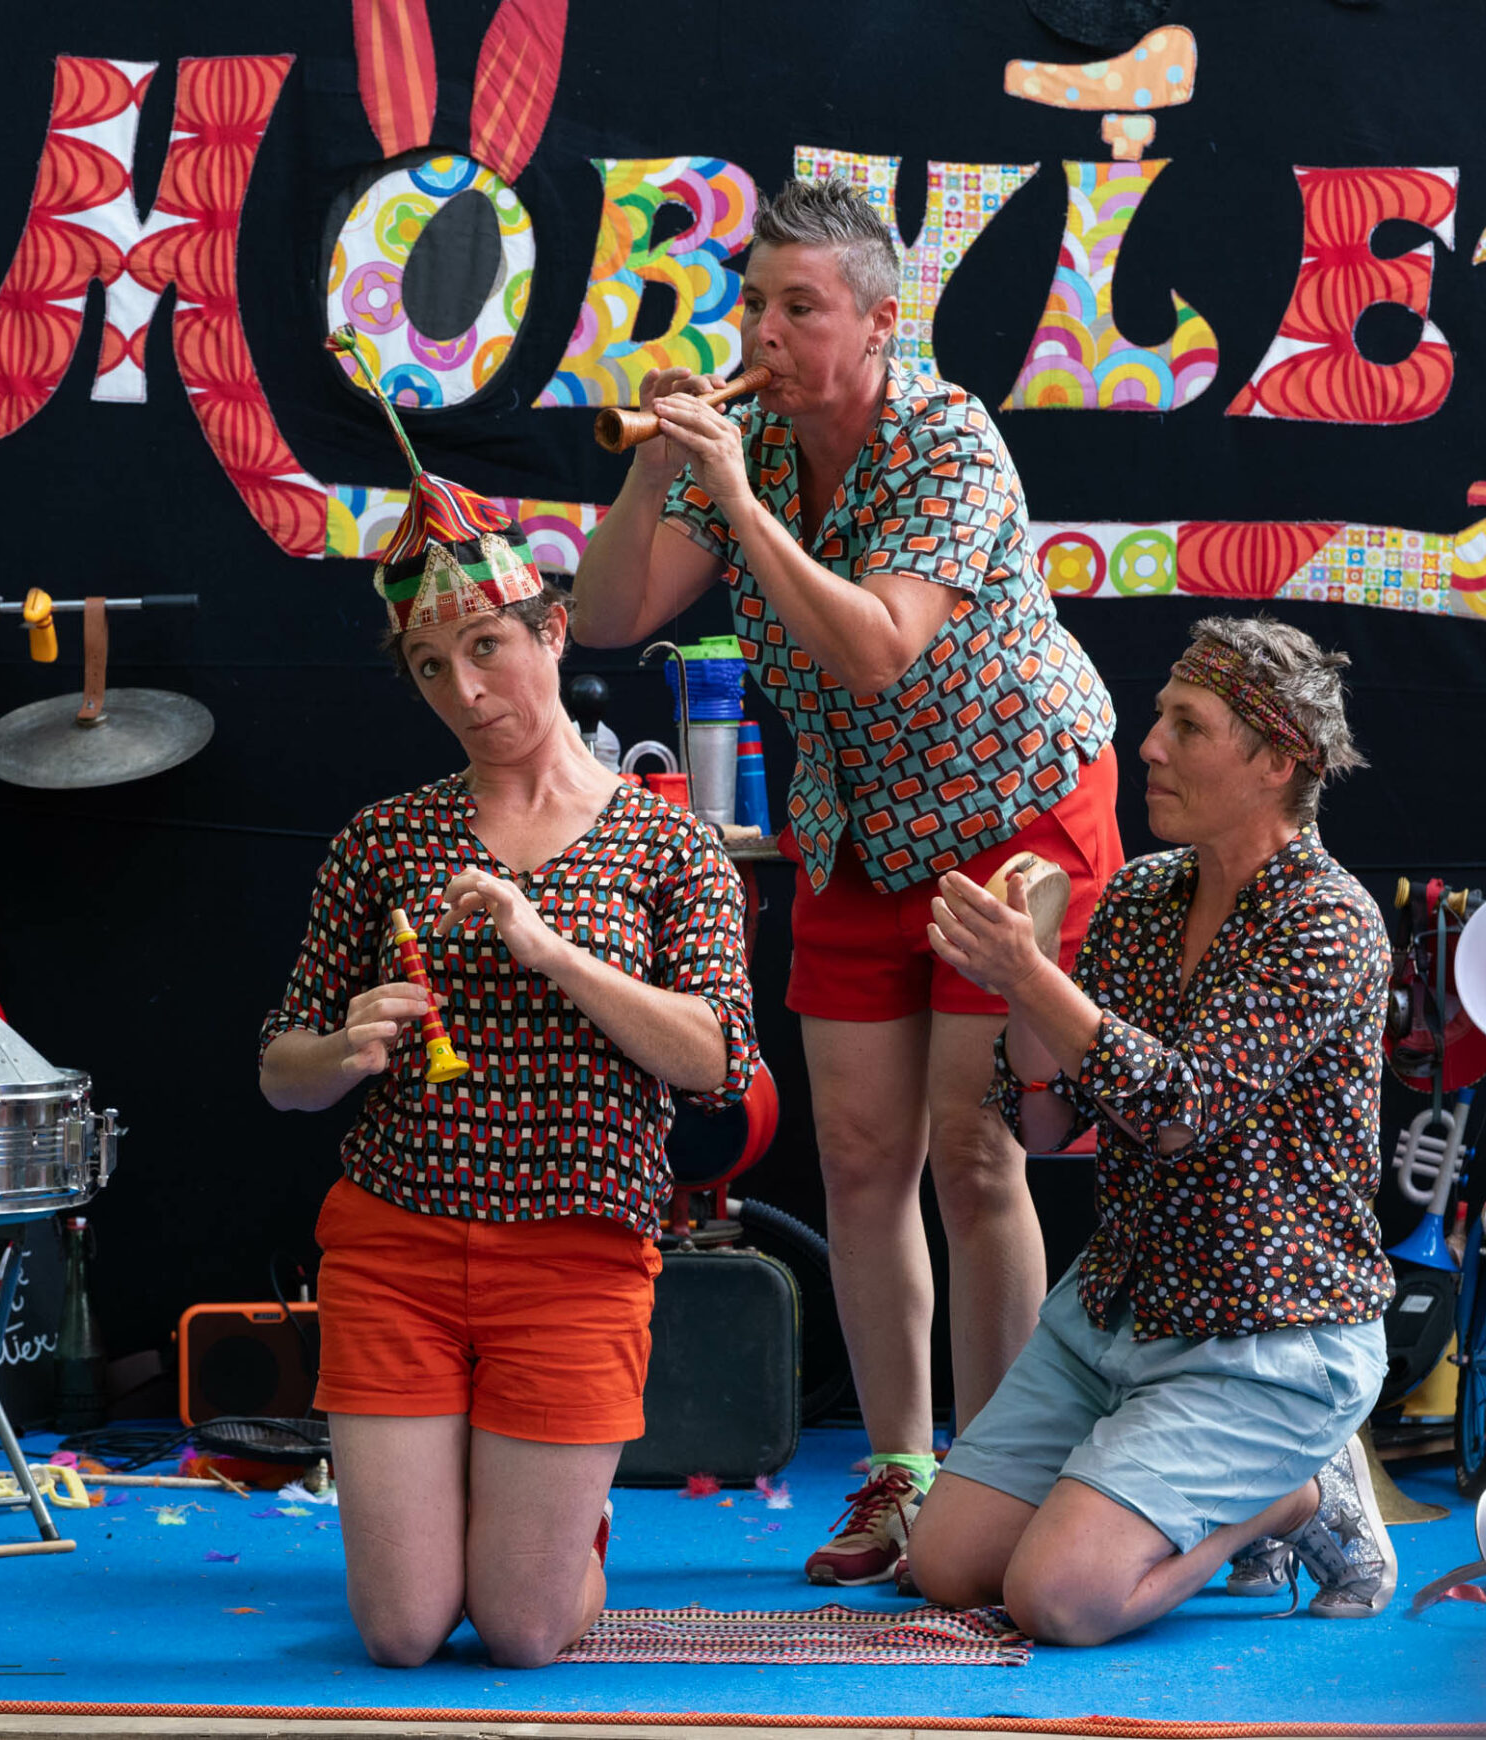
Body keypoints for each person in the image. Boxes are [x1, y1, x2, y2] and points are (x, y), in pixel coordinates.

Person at [572, 175, 1124, 1586]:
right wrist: (653, 471)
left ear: (879, 324)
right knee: (862, 1159)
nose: (762, 332)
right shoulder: (750, 439)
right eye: (754, 303)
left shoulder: (948, 437)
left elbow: (877, 646)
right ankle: (901, 1476)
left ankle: (999, 1480)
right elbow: (606, 614)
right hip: (861, 831)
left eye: (798, 308)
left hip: (1009, 811)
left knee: (976, 1153)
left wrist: (736, 499)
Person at [258, 334, 760, 1668]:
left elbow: (717, 1061)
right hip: (397, 1249)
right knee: (404, 1632)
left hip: (577, 1257)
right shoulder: (383, 837)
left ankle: (551, 1522)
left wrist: (553, 955)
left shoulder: (670, 845)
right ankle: (478, 1510)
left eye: (487, 646)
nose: (469, 690)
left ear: (549, 630)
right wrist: (344, 1046)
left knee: (528, 1633)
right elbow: (279, 1070)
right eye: (434, 667)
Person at [908, 615, 1397, 1644]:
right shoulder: (1139, 897)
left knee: (1057, 1599)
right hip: (1116, 1313)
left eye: (1187, 725)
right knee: (945, 1565)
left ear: (1278, 761)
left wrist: (1029, 975)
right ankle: (1214, 1495)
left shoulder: (1329, 919)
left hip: (1267, 1340)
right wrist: (1028, 980)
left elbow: (1178, 1113)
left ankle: (1294, 1497)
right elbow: (1045, 1125)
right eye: (1159, 718)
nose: (1148, 746)